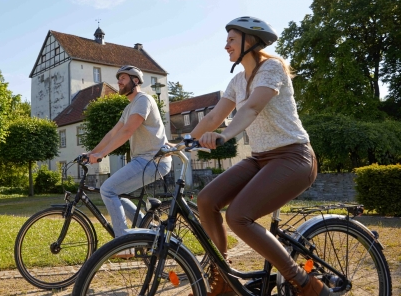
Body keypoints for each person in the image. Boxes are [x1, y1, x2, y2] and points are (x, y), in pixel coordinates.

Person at [190, 16, 329, 296]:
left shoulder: (272, 68)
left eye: (231, 39)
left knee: (239, 215)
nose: (225, 45)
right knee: (206, 200)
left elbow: (252, 108)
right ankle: (224, 279)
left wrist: (225, 136)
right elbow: (216, 116)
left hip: (294, 156)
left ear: (249, 41)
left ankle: (304, 283)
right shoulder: (237, 81)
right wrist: (179, 143)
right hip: (260, 158)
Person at [88, 65, 171, 238]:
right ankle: (147, 233)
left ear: (135, 81)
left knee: (108, 189)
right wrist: (91, 153)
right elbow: (113, 133)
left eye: (123, 78)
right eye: (118, 79)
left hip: (152, 161)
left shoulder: (143, 100)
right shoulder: (129, 107)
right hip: (143, 161)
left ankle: (124, 242)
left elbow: (127, 132)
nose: (119, 81)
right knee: (114, 191)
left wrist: (101, 155)